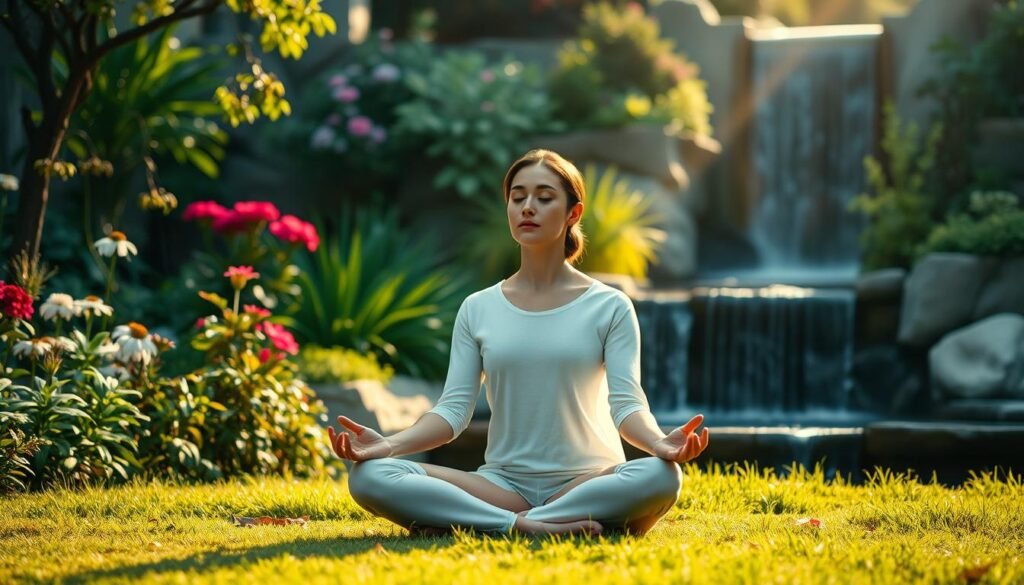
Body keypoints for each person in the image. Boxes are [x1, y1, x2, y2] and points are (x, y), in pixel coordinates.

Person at [328, 149, 710, 537]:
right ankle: (524, 525)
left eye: (544, 198)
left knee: (662, 476)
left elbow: (627, 405)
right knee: (370, 476)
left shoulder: (609, 306)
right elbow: (453, 412)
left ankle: (479, 523)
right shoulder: (478, 308)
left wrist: (660, 443)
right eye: (518, 197)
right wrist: (388, 446)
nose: (528, 207)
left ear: (573, 213)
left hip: (589, 480)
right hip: (501, 487)